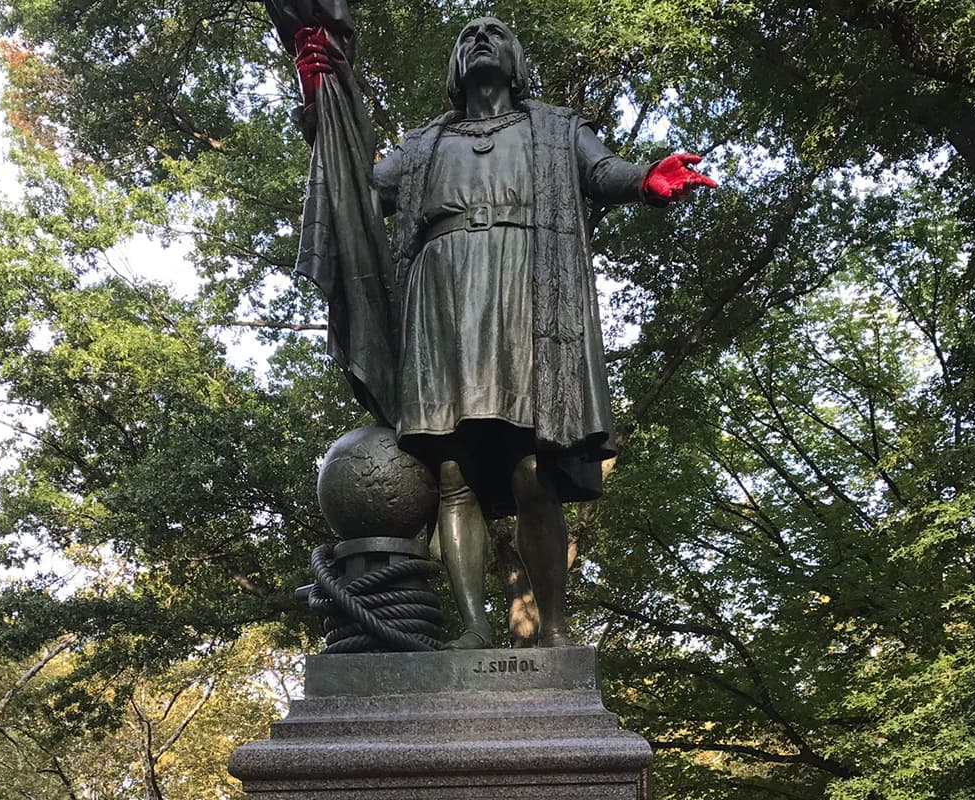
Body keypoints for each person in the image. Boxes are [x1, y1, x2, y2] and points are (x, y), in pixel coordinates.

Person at [295, 16, 715, 649]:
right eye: (468, 35)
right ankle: (473, 630)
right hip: (442, 303)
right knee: (453, 472)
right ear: (454, 67)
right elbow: (355, 187)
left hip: (526, 293)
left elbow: (603, 173)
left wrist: (646, 181)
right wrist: (322, 106)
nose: (480, 38)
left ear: (517, 59)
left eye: (495, 32)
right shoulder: (423, 145)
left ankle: (555, 632)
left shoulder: (554, 129)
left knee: (530, 469)